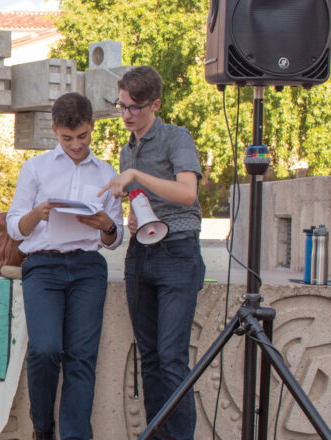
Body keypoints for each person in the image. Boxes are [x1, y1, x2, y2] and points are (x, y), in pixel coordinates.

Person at [7, 92, 123, 440]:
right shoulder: (36, 168)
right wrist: (36, 214)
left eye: (83, 136)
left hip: (88, 268)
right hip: (42, 266)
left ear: (92, 128)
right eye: (68, 138)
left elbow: (116, 239)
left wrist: (106, 225)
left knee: (82, 357)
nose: (76, 144)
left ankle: (74, 435)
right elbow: (14, 226)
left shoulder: (106, 172)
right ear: (55, 130)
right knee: (45, 350)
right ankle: (43, 427)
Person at [99, 65, 206, 440]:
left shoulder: (176, 137)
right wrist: (131, 219)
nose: (126, 114)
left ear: (155, 104)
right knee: (151, 358)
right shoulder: (129, 149)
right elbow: (144, 204)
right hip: (141, 255)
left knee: (172, 357)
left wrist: (136, 177)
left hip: (178, 253)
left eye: (134, 107)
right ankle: (158, 435)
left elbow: (187, 194)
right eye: (122, 105)